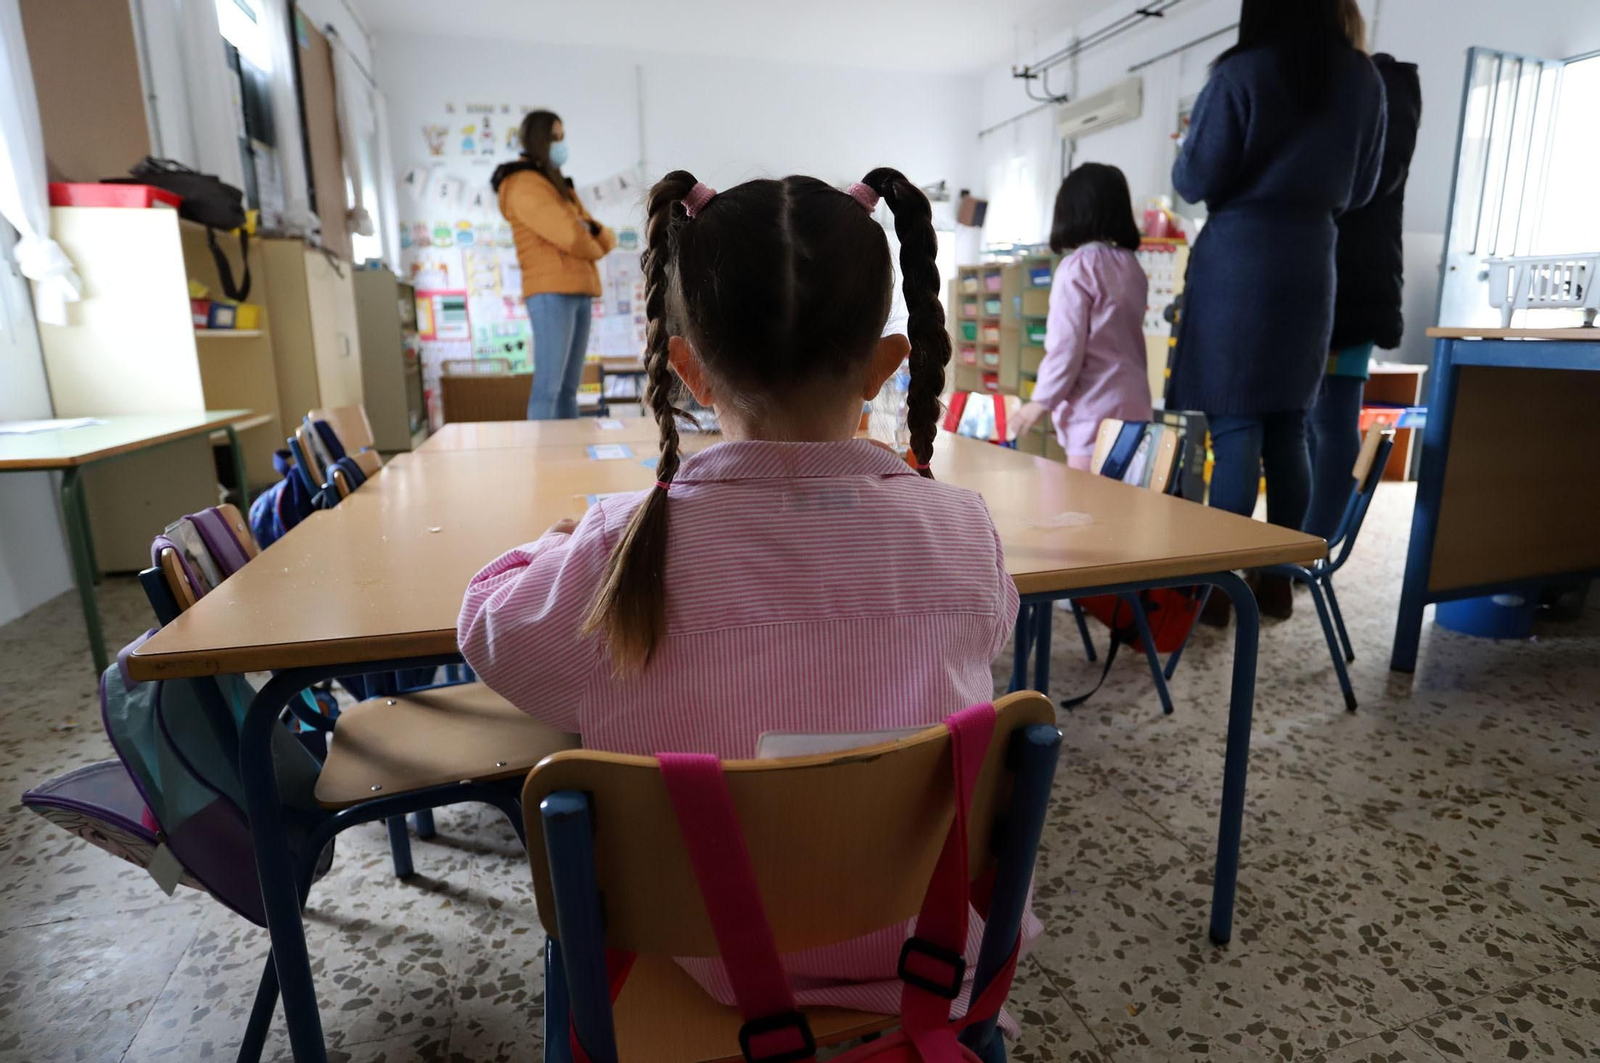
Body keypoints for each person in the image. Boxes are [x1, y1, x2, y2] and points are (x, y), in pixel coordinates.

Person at [458, 168, 1022, 1015]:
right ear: (884, 365)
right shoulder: (963, 529)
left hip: (705, 957)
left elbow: (487, 627)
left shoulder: (621, 545)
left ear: (688, 368)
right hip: (923, 953)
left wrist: (562, 540)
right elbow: (987, 643)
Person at [1169, 0, 1386, 620]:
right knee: (1291, 429)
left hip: (1239, 260)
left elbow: (1192, 179)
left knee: (1236, 429)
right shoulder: (1362, 78)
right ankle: (1276, 580)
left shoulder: (1240, 74)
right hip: (1313, 259)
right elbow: (1364, 187)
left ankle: (1217, 586)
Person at [1305, 2, 1421, 541]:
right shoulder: (1347, 89)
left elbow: (1367, 183)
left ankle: (1319, 542)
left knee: (1331, 419)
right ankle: (1309, 536)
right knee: (1311, 420)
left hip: (1354, 282)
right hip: (1325, 277)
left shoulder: (1383, 86)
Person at [1014, 163, 1152, 470]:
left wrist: (1040, 401)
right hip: (1136, 407)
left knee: (1083, 511)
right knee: (1125, 511)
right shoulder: (1132, 267)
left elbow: (1066, 346)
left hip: (1093, 414)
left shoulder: (1078, 267)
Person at [491, 110, 616, 420]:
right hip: (550, 292)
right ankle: (545, 462)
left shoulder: (558, 184)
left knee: (567, 389)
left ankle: (569, 458)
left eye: (562, 136)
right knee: (549, 388)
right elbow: (573, 236)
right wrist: (592, 241)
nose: (561, 143)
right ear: (538, 140)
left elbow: (601, 233)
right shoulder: (523, 183)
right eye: (555, 137)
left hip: (578, 289)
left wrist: (593, 235)